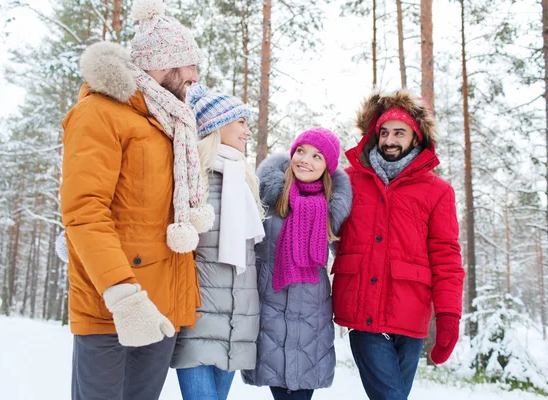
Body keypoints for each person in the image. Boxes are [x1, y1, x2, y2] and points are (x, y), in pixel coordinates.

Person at [59, 0, 214, 398]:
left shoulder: (168, 122)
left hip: (162, 311)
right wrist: (123, 295)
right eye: (190, 65)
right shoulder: (99, 113)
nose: (195, 76)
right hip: (116, 307)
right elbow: (84, 211)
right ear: (164, 65)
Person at [331, 90, 465, 400]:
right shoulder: (349, 180)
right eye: (384, 132)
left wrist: (448, 316)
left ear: (416, 137)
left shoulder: (438, 191)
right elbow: (320, 222)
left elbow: (446, 257)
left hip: (411, 312)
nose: (389, 139)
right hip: (362, 309)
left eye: (399, 132)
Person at [242, 128, 353, 400]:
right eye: (301, 151)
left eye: (317, 156)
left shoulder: (332, 209)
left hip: (312, 323)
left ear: (328, 166)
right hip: (271, 316)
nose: (306, 160)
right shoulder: (265, 199)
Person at [170, 85, 265, 400]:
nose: (247, 132)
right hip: (197, 321)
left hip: (238, 326)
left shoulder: (246, 181)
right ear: (216, 125)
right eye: (240, 122)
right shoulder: (191, 180)